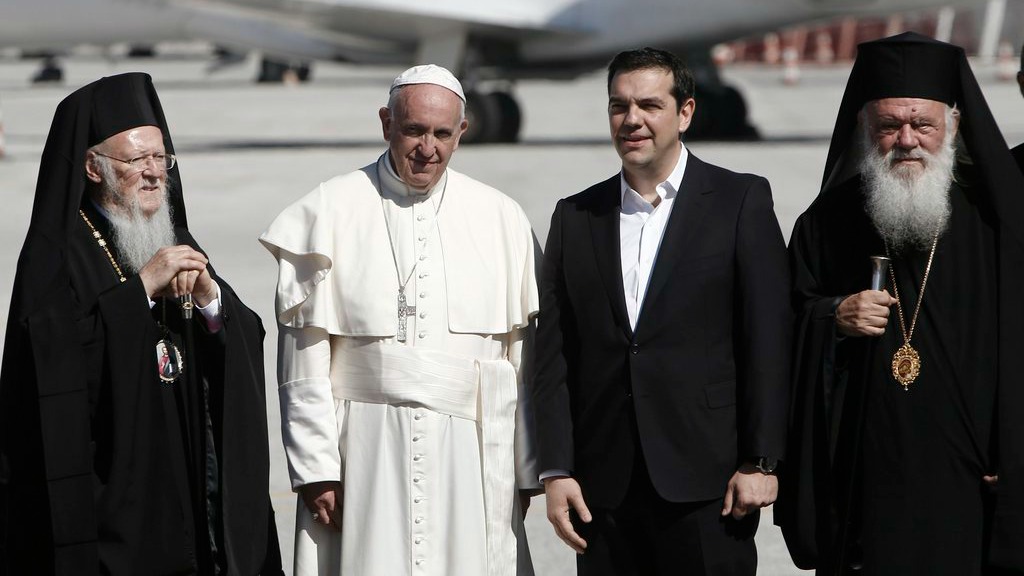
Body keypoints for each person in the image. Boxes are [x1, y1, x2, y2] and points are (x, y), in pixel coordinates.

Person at [260, 64, 540, 576]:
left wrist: (522, 471)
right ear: (387, 123)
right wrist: (317, 468)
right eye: (413, 130)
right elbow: (302, 360)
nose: (426, 148)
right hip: (364, 451)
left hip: (472, 457)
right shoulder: (329, 209)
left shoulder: (502, 218)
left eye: (440, 133)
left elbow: (521, 358)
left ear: (462, 133)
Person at [0, 73, 282, 575]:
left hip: (190, 487)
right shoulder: (60, 256)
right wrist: (138, 295)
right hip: (114, 502)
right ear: (92, 167)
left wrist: (212, 300)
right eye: (137, 161)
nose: (154, 173)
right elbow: (50, 369)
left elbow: (243, 336)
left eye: (161, 158)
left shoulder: (170, 236)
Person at [532, 47, 791, 575]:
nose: (632, 120)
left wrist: (761, 460)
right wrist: (556, 468)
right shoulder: (576, 216)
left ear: (686, 112)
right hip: (604, 492)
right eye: (619, 106)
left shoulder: (740, 201)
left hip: (710, 485)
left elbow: (768, 337)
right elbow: (554, 355)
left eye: (649, 105)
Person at [778, 33, 1024, 575]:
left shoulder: (998, 218)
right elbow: (782, 323)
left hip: (971, 478)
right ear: (865, 129)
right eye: (889, 126)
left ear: (954, 125)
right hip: (866, 480)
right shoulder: (826, 223)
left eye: (923, 125)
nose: (906, 139)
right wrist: (833, 316)